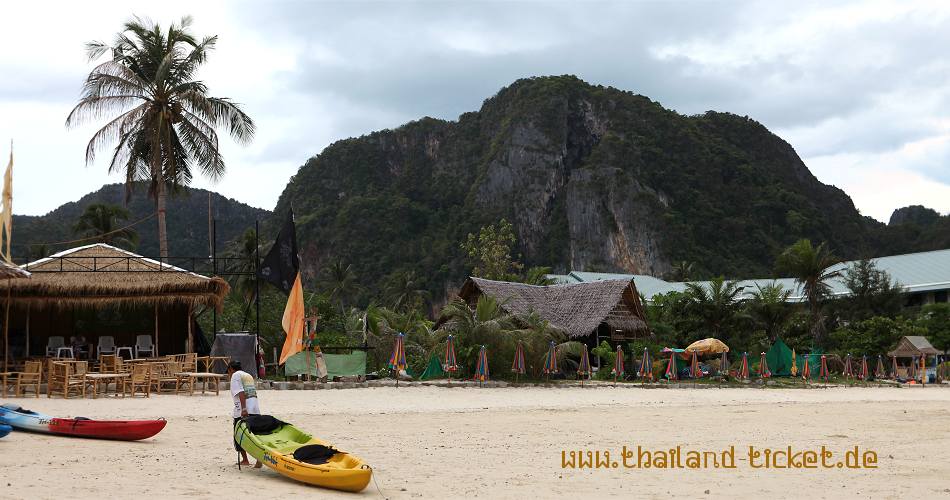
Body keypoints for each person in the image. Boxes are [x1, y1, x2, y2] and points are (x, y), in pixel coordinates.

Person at [228, 360, 262, 468]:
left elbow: (241, 392)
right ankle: (258, 459)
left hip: (243, 411)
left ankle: (245, 460)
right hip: (255, 409)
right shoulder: (248, 375)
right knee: (255, 435)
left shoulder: (235, 376)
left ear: (230, 369)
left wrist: (243, 409)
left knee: (239, 435)